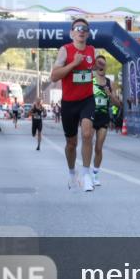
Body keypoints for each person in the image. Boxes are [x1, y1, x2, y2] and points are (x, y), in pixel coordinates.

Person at [50, 18, 97, 192]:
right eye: (77, 28)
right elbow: (54, 76)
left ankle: (86, 174)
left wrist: (96, 68)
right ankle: (72, 172)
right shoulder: (65, 50)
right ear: (72, 33)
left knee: (86, 134)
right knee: (71, 143)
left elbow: (92, 70)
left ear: (88, 33)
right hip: (69, 102)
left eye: (84, 28)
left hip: (87, 99)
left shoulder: (92, 50)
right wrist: (74, 64)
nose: (81, 30)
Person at [91, 54, 122, 186]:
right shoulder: (90, 80)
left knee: (98, 148)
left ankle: (95, 174)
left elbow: (117, 104)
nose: (101, 66)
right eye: (99, 64)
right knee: (87, 143)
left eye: (103, 64)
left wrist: (110, 96)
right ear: (95, 65)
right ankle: (86, 170)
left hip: (103, 116)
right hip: (90, 115)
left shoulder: (110, 83)